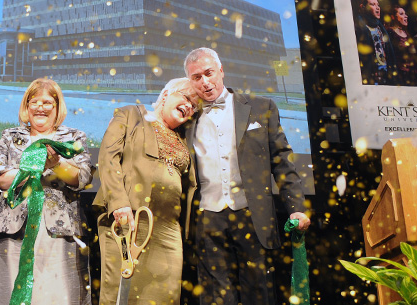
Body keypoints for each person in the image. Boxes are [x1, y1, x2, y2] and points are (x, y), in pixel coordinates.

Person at [183, 47, 311, 305]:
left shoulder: (260, 107)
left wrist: (296, 207)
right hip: (207, 218)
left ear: (221, 71)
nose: (205, 82)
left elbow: (282, 161)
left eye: (209, 73)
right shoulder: (186, 117)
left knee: (259, 295)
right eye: (197, 77)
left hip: (252, 215)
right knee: (216, 298)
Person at [0, 78, 94, 305]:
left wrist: (55, 164)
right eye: (34, 102)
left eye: (47, 102)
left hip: (59, 230)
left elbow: (82, 177)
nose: (40, 107)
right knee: (13, 293)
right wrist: (31, 168)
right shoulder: (10, 136)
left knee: (59, 294)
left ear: (57, 107)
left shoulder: (73, 138)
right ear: (26, 106)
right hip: (16, 228)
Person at [94, 78, 199, 304]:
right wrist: (119, 203)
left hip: (169, 230)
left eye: (195, 106)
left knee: (165, 296)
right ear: (166, 94)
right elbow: (107, 157)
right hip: (129, 221)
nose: (190, 106)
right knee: (122, 293)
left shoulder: (183, 138)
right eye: (187, 98)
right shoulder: (131, 115)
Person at [354, 0, 395, 85]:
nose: (377, 8)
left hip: (386, 74)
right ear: (363, 7)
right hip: (371, 76)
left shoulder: (380, 27)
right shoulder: (359, 27)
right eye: (372, 4)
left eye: (378, 5)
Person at [386, 5, 417, 86]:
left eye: (405, 14)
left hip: (413, 76)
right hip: (401, 77)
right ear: (393, 17)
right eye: (401, 14)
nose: (406, 16)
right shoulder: (390, 32)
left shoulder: (407, 34)